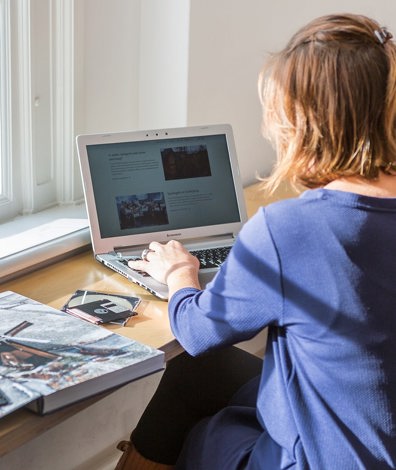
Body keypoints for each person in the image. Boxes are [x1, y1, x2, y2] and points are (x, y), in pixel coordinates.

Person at [116, 13, 396, 469]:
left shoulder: (292, 230)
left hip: (322, 458)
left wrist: (181, 274)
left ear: (303, 123)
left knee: (190, 380)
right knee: (196, 375)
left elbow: (199, 332)